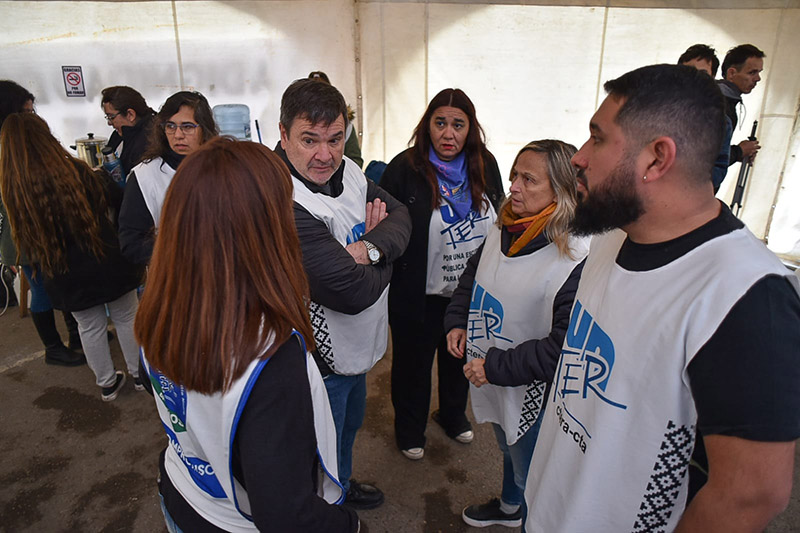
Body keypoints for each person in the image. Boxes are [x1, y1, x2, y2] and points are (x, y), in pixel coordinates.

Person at [523, 64, 800, 532]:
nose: (579, 158)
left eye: (597, 139)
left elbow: (751, 494)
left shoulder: (746, 297)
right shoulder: (612, 234)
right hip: (549, 509)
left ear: (656, 159)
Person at [136, 138, 359, 532]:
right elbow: (286, 516)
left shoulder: (161, 307)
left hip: (183, 491)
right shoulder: (269, 354)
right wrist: (348, 523)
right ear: (264, 229)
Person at [276, 78, 411, 510]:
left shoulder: (348, 171)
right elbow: (350, 292)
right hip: (317, 360)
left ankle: (341, 484)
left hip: (356, 347)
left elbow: (402, 216)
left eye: (335, 139)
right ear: (283, 135)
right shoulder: (283, 199)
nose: (325, 155)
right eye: (309, 140)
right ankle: (322, 510)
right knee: (318, 440)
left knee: (348, 428)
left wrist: (366, 250)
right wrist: (387, 254)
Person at [444, 140, 588, 528]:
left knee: (532, 477)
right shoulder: (505, 226)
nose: (513, 187)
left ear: (560, 190)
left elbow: (564, 348)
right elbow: (473, 276)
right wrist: (457, 320)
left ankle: (526, 515)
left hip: (533, 391)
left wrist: (494, 366)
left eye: (528, 179)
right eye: (514, 175)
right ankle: (510, 508)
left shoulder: (575, 255)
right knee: (508, 446)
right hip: (493, 374)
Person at [380, 88, 504, 461]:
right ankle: (409, 430)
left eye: (458, 125)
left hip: (467, 293)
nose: (448, 134)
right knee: (412, 368)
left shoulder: (484, 164)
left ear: (470, 129)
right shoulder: (404, 168)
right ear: (427, 126)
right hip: (418, 293)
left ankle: (452, 416)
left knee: (458, 360)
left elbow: (500, 216)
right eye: (440, 123)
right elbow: (383, 226)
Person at [0, 113, 143, 400]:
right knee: (127, 316)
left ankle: (107, 384)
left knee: (89, 326)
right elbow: (117, 198)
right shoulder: (78, 170)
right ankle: (140, 376)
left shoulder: (14, 191)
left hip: (63, 270)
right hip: (107, 258)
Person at [0, 80, 84, 366]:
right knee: (42, 291)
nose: (32, 117)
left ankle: (77, 335)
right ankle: (53, 348)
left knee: (63, 280)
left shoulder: (21, 143)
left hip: (42, 230)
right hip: (24, 237)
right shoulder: (8, 149)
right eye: (26, 112)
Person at [118, 91, 217, 265]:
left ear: (204, 129)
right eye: (170, 126)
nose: (178, 135)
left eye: (187, 127)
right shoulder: (144, 176)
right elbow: (131, 244)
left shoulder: (222, 168)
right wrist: (185, 252)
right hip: (174, 273)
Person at [678, 44, 731, 192]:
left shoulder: (721, 122)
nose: (694, 78)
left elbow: (719, 167)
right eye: (688, 72)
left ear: (712, 78)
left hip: (690, 195)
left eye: (703, 73)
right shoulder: (657, 111)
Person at [718, 44, 764, 167]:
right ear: (732, 73)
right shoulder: (717, 104)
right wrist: (739, 151)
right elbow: (705, 158)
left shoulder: (727, 102)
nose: (758, 78)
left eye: (759, 72)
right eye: (752, 72)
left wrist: (739, 155)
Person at [308, 71, 363, 168]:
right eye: (309, 141)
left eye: (333, 141)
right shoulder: (298, 124)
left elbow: (355, 160)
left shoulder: (345, 125)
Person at [101, 86, 156, 178]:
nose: (109, 123)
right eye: (108, 117)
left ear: (130, 115)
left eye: (111, 117)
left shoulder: (150, 140)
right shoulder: (118, 135)